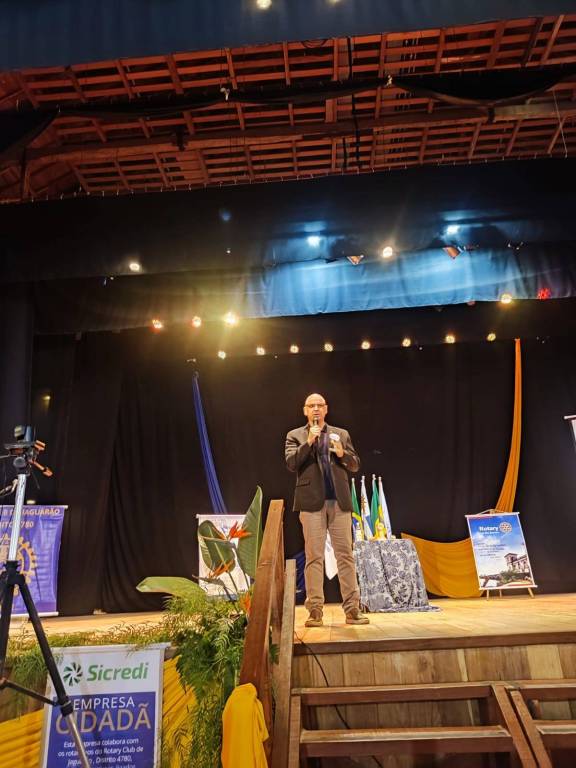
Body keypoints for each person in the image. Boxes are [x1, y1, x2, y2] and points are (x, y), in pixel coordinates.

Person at [285, 393, 369, 627]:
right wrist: (309, 442)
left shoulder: (341, 434)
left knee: (346, 556)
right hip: (311, 504)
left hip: (339, 503)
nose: (315, 409)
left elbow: (355, 464)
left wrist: (342, 453)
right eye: (311, 405)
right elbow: (291, 463)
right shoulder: (295, 435)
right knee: (314, 557)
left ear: (326, 409)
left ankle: (352, 609)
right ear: (305, 410)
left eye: (319, 405)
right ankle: (315, 611)